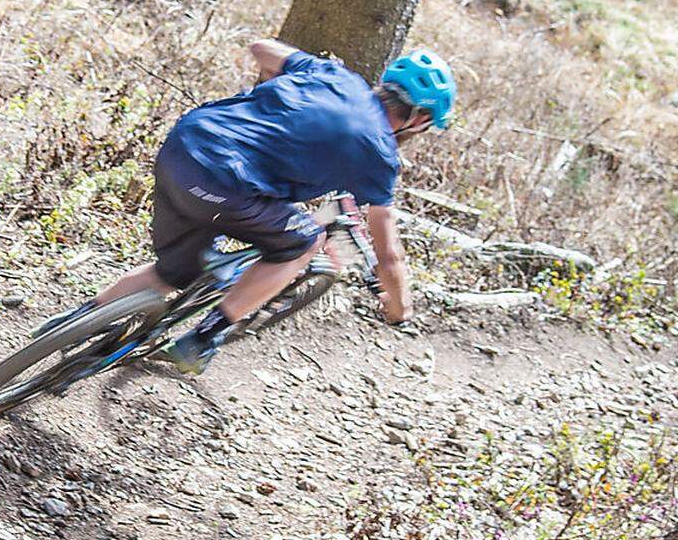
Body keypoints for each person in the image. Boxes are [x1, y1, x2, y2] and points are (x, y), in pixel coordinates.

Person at [35, 40, 457, 374]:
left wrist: (268, 93)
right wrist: (398, 310)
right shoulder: (380, 158)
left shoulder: (334, 76)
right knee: (304, 243)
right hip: (225, 187)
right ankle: (201, 339)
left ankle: (65, 327)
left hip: (182, 147)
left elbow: (261, 47)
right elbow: (388, 254)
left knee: (172, 272)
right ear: (418, 120)